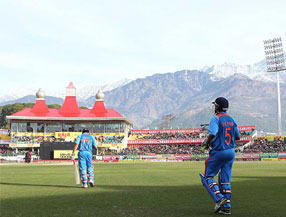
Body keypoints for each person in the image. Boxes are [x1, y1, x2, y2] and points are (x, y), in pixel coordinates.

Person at [199, 97, 240, 215]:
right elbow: (238, 137)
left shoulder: (215, 118)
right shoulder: (232, 120)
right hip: (231, 152)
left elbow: (213, 133)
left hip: (219, 151)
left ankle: (219, 198)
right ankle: (226, 207)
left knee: (208, 177)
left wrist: (207, 142)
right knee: (225, 180)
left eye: (215, 105)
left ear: (217, 107)